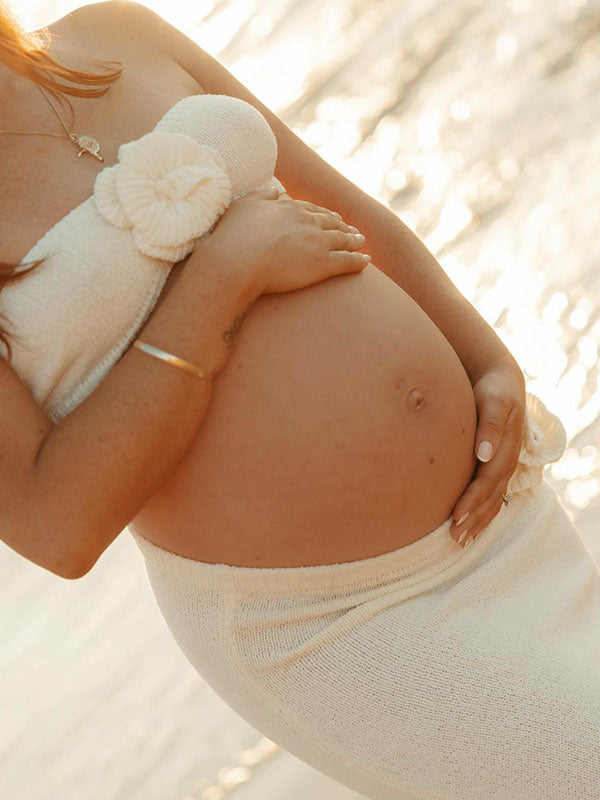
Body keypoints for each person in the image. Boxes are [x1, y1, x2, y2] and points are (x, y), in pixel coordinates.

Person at [1, 2, 598, 798]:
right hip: (338, 623)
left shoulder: (118, 32)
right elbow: (56, 527)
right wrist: (218, 279)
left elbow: (343, 205)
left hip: (498, 517)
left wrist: (485, 356)